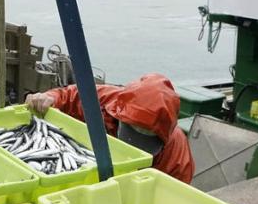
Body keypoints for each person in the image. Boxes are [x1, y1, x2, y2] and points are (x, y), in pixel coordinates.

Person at [24, 73, 194, 182]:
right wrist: (49, 97)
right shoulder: (109, 99)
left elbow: (175, 197)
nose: (133, 144)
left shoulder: (177, 156)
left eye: (146, 139)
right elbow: (70, 96)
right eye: (132, 131)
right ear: (120, 115)